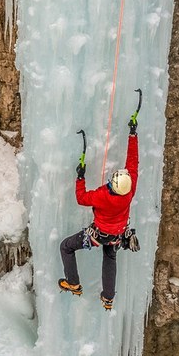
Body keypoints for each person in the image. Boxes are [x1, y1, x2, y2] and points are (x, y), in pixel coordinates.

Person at [58, 114, 138, 310]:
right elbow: (133, 163)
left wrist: (80, 177)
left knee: (66, 247)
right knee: (110, 256)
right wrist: (133, 135)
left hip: (98, 234)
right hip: (117, 234)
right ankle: (108, 297)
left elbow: (81, 198)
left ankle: (73, 283)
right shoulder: (129, 189)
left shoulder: (103, 195)